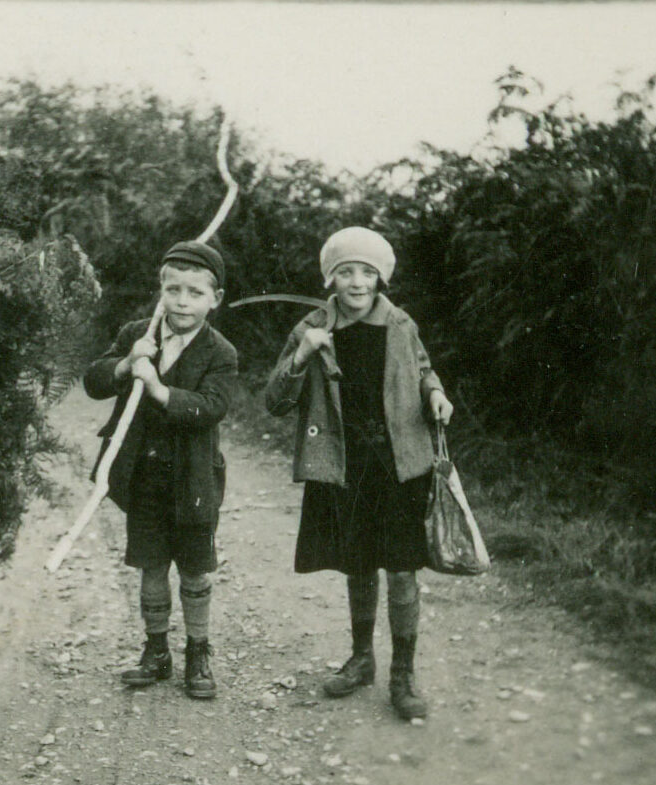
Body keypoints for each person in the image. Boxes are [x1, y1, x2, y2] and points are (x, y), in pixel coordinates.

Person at [264, 227, 453, 721]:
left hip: (399, 464)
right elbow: (275, 401)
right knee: (358, 563)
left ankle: (403, 674)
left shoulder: (400, 324)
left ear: (380, 279)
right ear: (331, 277)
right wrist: (304, 352)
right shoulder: (312, 325)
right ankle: (363, 658)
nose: (356, 282)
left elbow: (424, 368)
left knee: (404, 568)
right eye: (345, 271)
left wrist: (435, 392)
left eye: (367, 272)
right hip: (345, 466)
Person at [83, 241, 238, 699]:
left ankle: (197, 652)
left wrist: (156, 387)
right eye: (173, 291)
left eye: (195, 293)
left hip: (193, 481)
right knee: (151, 566)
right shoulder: (139, 332)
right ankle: (156, 651)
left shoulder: (220, 351)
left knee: (194, 571)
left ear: (216, 299)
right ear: (160, 294)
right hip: (144, 479)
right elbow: (93, 381)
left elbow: (211, 407)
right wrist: (128, 363)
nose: (183, 302)